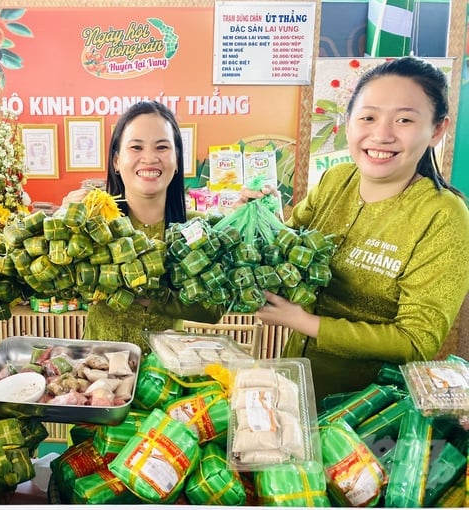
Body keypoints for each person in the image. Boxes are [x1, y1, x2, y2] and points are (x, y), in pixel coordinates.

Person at [254, 56, 469, 402]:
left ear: (437, 130)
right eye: (368, 117)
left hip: (370, 411)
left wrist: (305, 322)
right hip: (294, 387)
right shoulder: (335, 181)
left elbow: (416, 340)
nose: (381, 134)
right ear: (349, 123)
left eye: (404, 120)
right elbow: (287, 250)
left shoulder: (443, 215)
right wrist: (257, 219)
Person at [63, 100, 222, 352]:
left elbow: (213, 310)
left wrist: (155, 297)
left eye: (162, 147)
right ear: (116, 161)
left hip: (166, 372)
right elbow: (56, 283)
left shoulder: (197, 229)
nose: (149, 158)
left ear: (177, 160)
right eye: (136, 147)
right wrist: (63, 224)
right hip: (99, 372)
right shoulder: (94, 223)